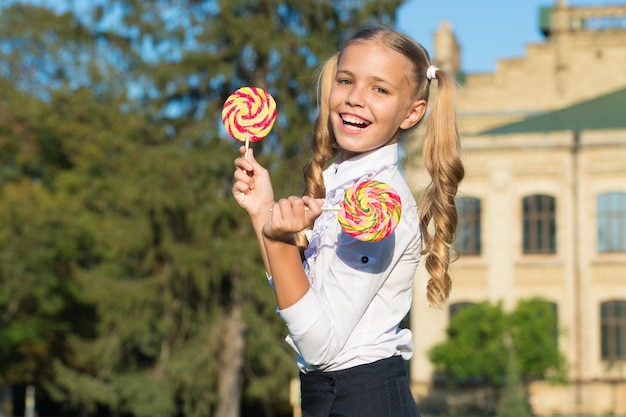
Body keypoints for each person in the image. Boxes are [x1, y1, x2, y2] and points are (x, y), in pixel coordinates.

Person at [232, 27, 464, 417]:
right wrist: (263, 213)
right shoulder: (342, 185)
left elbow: (318, 344)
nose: (355, 98)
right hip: (332, 398)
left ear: (412, 113)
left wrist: (278, 241)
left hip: (364, 399)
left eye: (380, 90)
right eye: (346, 80)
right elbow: (302, 294)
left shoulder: (378, 205)